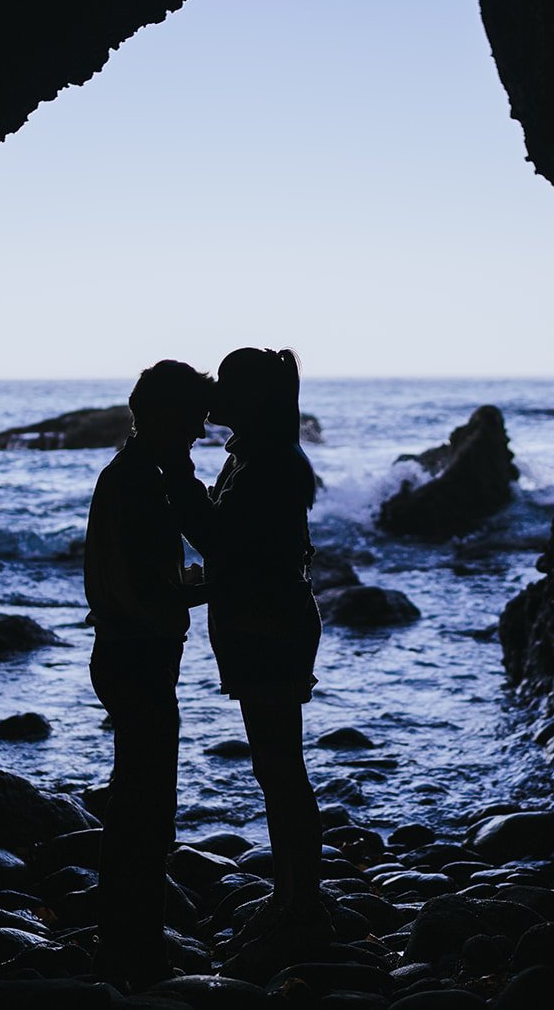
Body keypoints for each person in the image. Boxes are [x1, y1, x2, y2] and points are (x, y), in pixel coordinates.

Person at [157, 347, 328, 962]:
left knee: (280, 768)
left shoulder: (271, 465)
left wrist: (175, 470)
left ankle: (300, 903)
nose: (214, 391)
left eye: (226, 383)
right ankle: (294, 896)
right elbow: (246, 553)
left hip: (270, 628)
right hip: (266, 623)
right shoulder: (258, 458)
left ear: (252, 398)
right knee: (276, 766)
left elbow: (221, 538)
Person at [82, 359, 213, 989]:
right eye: (190, 422)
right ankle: (134, 948)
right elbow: (139, 587)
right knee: (147, 804)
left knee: (137, 795)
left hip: (124, 652)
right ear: (161, 415)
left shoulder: (130, 473)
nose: (198, 434)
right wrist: (205, 590)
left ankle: (125, 938)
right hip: (136, 654)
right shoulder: (138, 482)